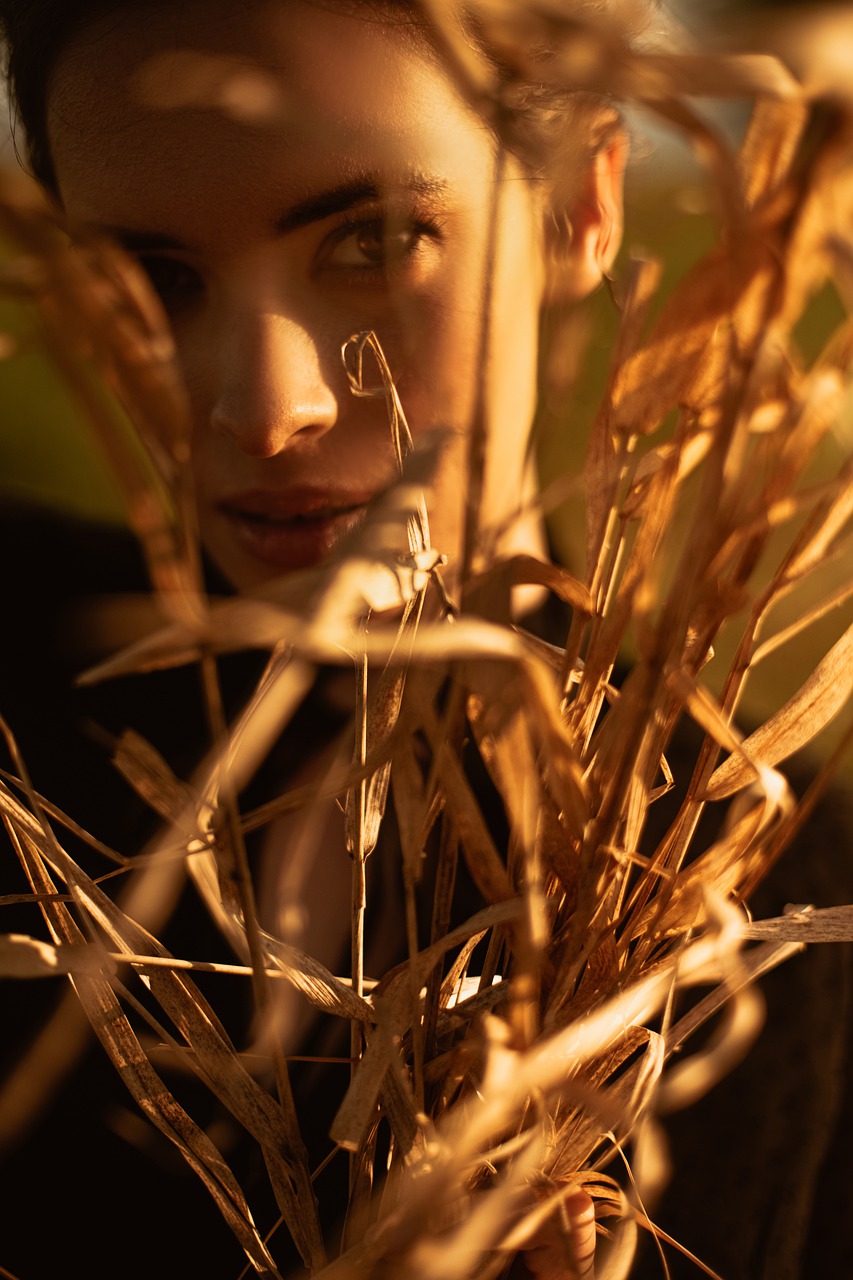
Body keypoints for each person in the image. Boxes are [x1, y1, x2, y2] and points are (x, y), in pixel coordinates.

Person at [1, 4, 851, 1280]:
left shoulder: (763, 909)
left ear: (580, 207)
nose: (263, 406)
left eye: (373, 239)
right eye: (155, 280)